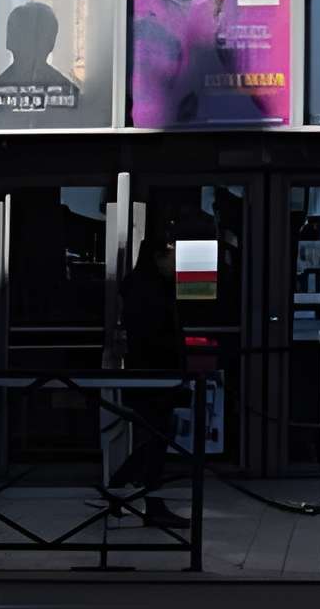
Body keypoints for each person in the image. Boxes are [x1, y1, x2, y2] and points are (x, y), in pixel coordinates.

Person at [105, 215, 190, 533]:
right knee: (155, 440)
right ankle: (141, 500)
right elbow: (156, 335)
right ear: (157, 257)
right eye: (172, 258)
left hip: (153, 375)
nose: (176, 265)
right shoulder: (149, 290)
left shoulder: (146, 286)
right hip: (154, 375)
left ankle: (120, 491)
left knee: (153, 440)